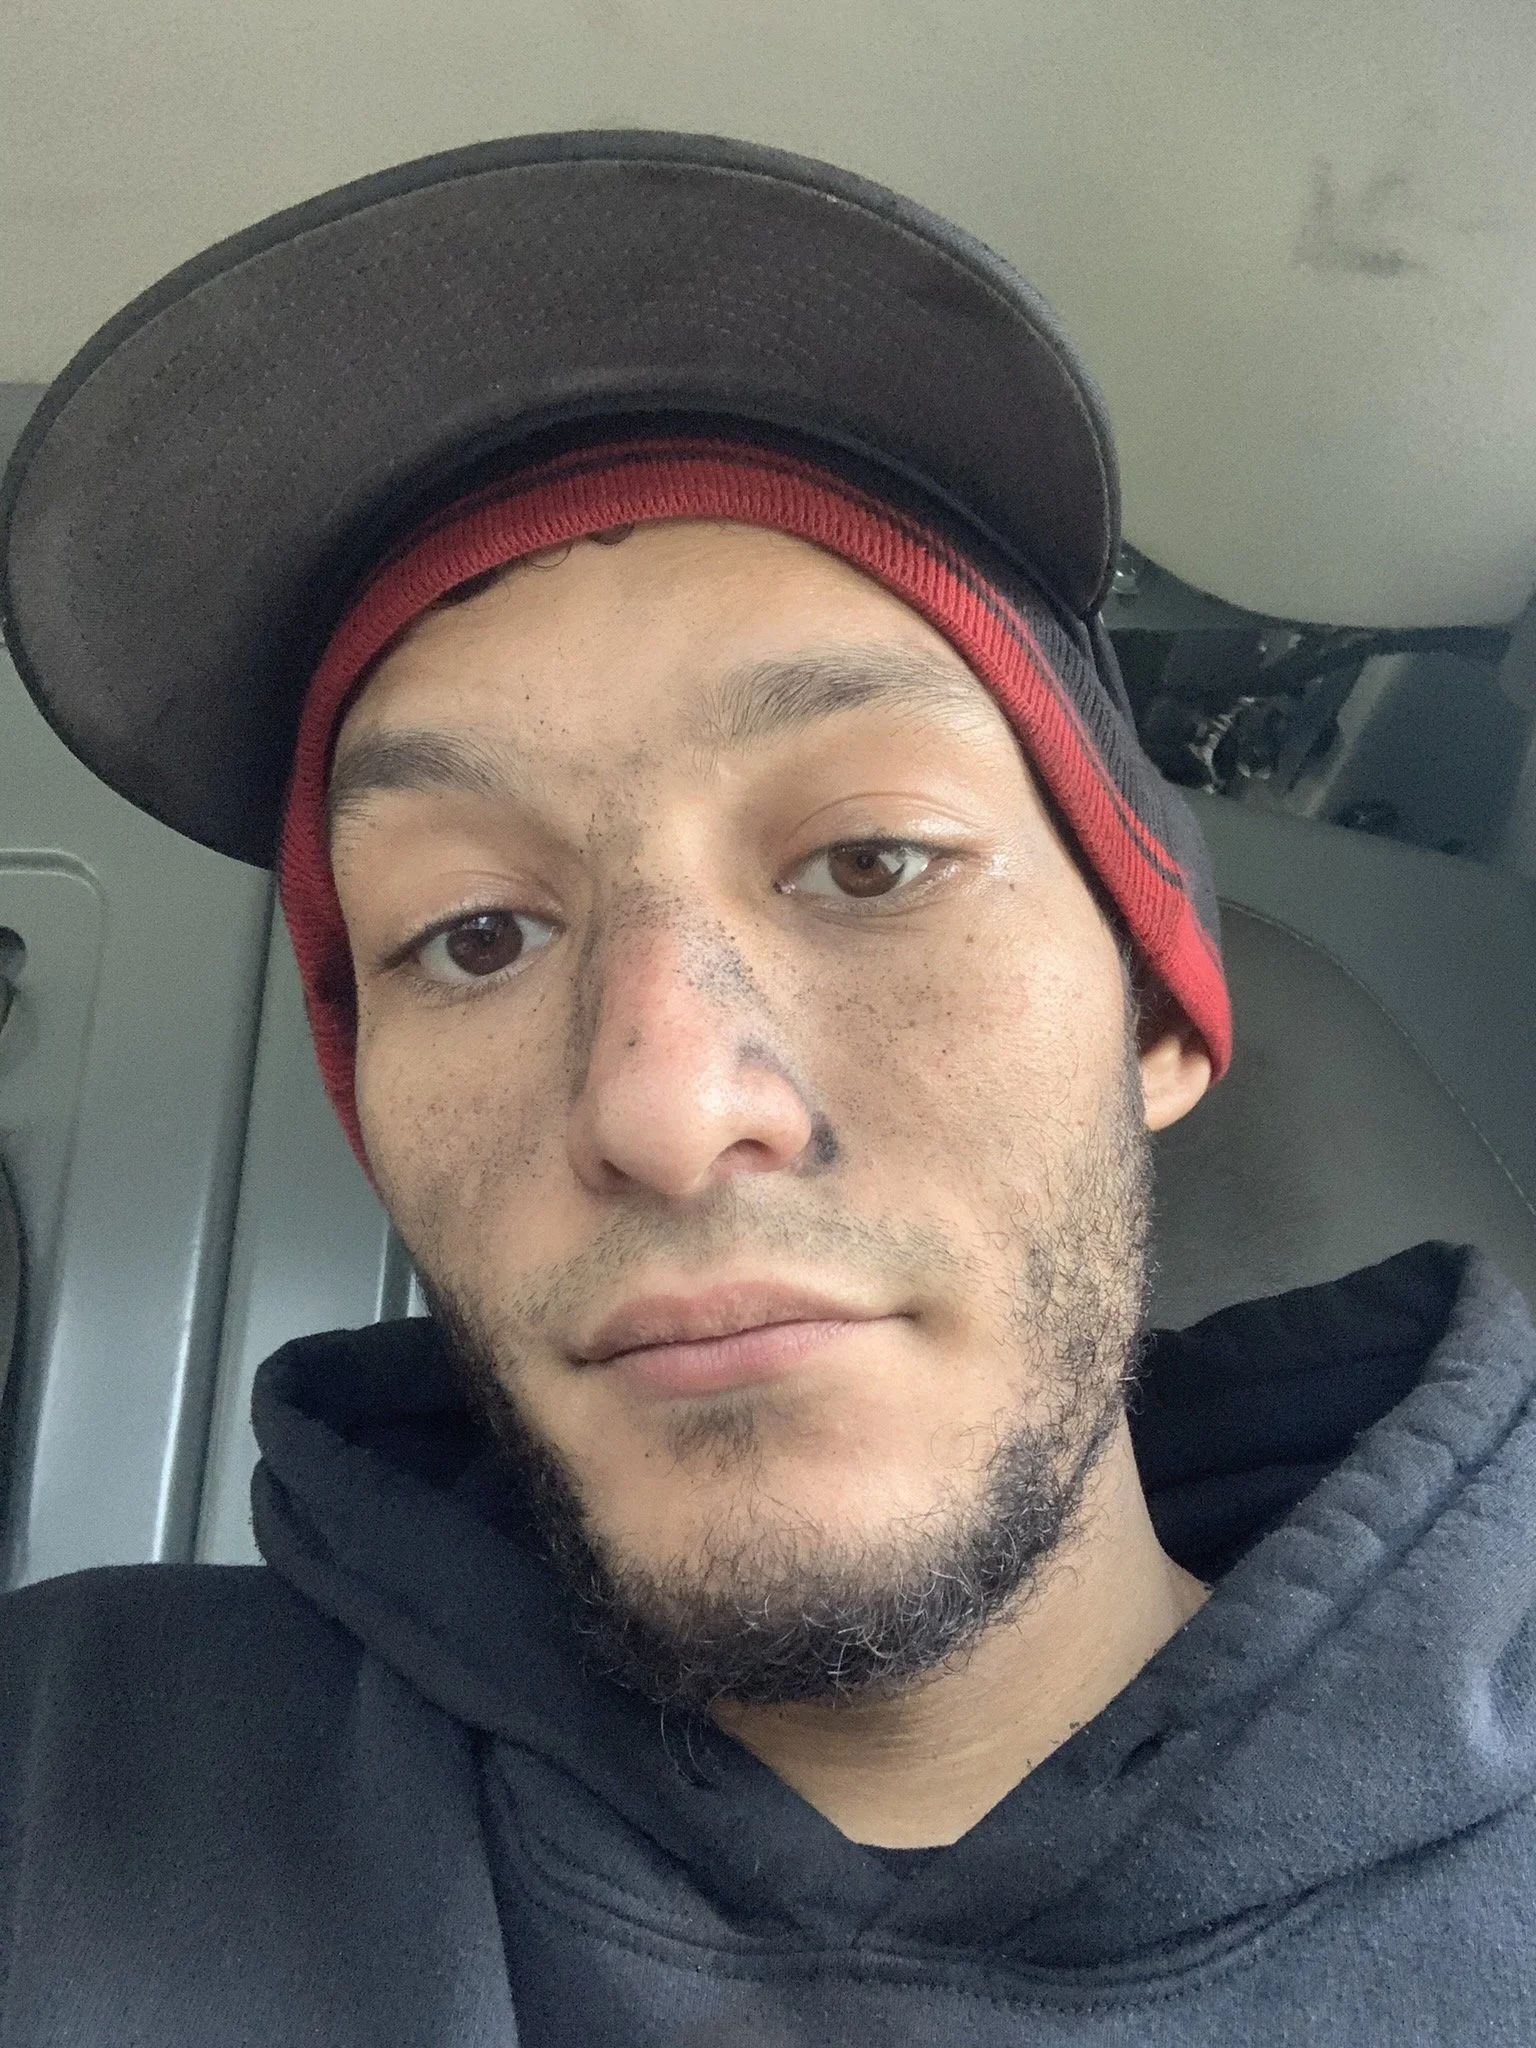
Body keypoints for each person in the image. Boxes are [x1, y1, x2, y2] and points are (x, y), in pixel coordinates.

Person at [1, 132, 1533, 2047]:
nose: (666, 1103)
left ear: (1155, 1015)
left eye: (872, 860)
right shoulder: (63, 1787)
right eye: (474, 934)